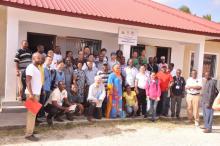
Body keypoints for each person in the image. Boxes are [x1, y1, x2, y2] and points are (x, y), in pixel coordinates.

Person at [24, 52, 42, 141]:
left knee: (33, 114)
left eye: (41, 58)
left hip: (35, 94)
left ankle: (30, 130)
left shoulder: (36, 68)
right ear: (33, 58)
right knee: (31, 114)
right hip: (32, 94)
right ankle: (28, 134)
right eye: (38, 58)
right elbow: (28, 81)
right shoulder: (31, 67)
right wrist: (31, 94)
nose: (40, 59)